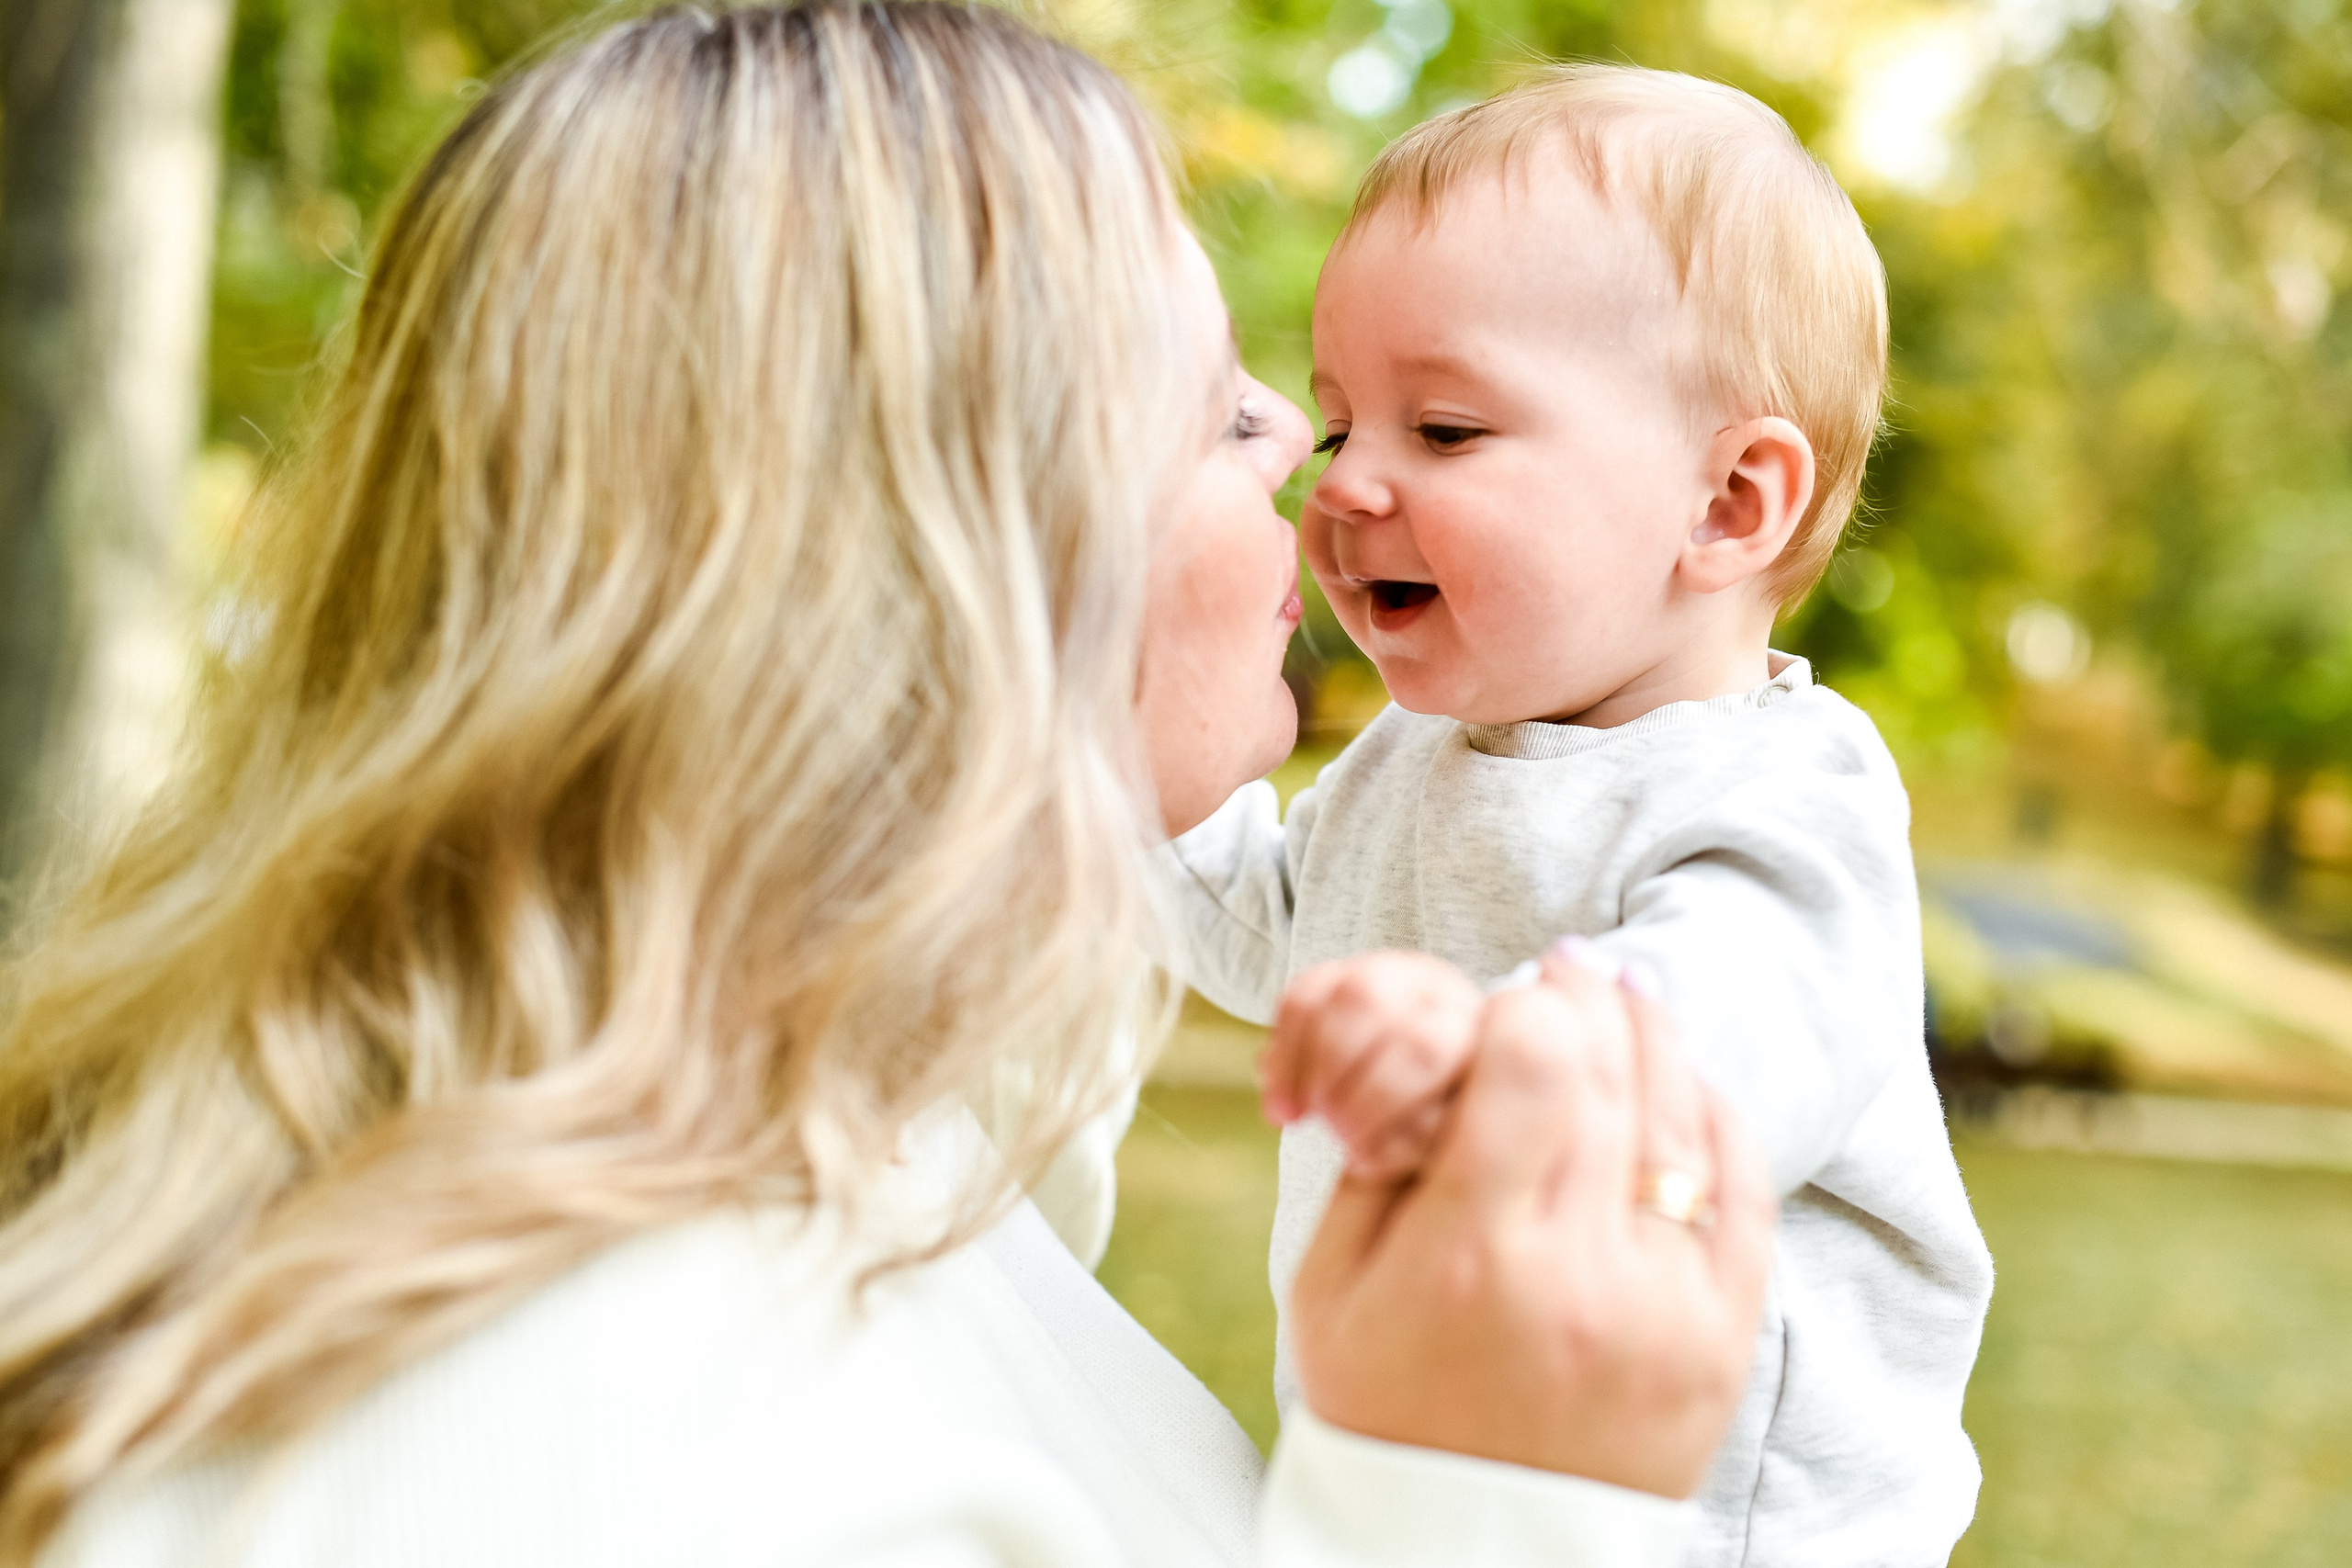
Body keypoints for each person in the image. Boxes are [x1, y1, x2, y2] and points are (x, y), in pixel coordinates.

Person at [0, 9, 1775, 1567]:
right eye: (1232, 422)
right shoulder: (621, 1432)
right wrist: (1482, 1517)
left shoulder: (819, 1140)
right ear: (960, 577)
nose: (1315, 490)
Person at [1162, 67, 1996, 1568]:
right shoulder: (1416, 763)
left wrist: (1491, 1061)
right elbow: (1271, 927)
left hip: (1718, 1523)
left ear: (1729, 505)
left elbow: (1725, 1043)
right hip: (1463, 1465)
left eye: (1447, 429)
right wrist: (1103, 782)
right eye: (1344, 420)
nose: (1345, 484)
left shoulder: (1784, 795)